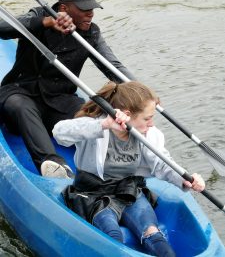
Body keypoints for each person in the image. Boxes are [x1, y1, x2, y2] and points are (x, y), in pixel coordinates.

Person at [52, 81, 205, 256]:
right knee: (113, 235)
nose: (151, 124)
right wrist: (103, 125)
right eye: (147, 118)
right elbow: (59, 133)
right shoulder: (98, 126)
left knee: (153, 233)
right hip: (93, 194)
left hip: (129, 192)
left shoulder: (149, 135)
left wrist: (185, 179)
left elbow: (162, 164)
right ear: (127, 114)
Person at [0, 0, 135, 178]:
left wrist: (139, 91)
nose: (91, 14)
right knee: (22, 108)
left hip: (61, 101)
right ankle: (53, 164)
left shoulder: (91, 33)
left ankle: (114, 164)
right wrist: (45, 22)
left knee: (93, 119)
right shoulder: (39, 16)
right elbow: (3, 28)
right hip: (21, 93)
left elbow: (113, 67)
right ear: (64, 8)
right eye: (84, 9)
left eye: (92, 8)